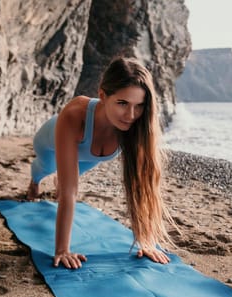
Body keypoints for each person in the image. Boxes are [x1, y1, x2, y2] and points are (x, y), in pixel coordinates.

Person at [27, 57, 174, 269]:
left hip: (89, 156)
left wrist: (147, 242)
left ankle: (59, 178)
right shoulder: (75, 114)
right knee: (47, 169)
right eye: (122, 103)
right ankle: (34, 181)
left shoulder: (137, 125)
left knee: (67, 182)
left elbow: (143, 185)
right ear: (103, 95)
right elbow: (71, 193)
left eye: (139, 106)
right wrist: (62, 250)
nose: (131, 115)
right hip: (49, 141)